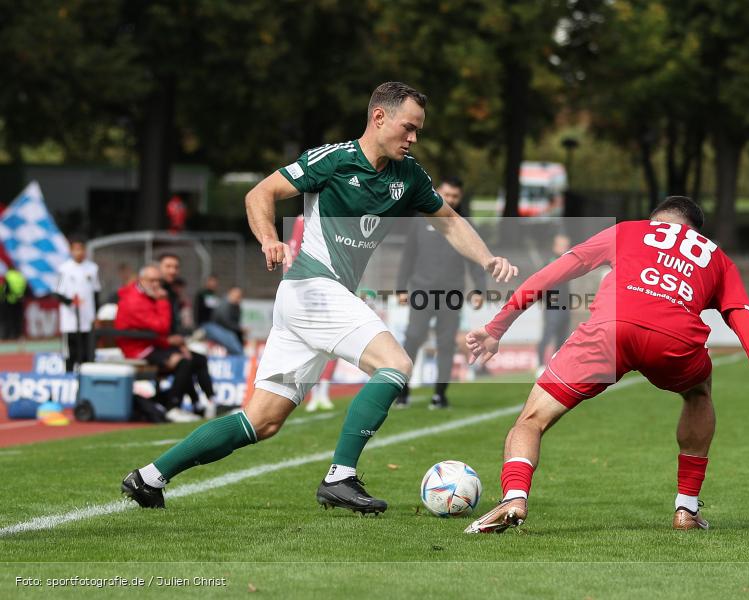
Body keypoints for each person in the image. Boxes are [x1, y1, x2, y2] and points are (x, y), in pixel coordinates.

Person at [121, 81, 518, 512]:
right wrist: (270, 239)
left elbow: (449, 220)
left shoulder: (409, 174)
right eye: (408, 128)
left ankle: (148, 477)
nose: (414, 138)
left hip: (312, 301)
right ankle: (340, 476)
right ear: (378, 117)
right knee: (396, 364)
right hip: (312, 287)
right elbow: (261, 193)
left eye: (418, 130)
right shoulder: (333, 159)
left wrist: (486, 258)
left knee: (263, 420)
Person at [463, 196, 749, 534]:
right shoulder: (717, 258)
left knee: (532, 420)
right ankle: (687, 508)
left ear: (655, 220)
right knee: (698, 392)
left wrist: (498, 327)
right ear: (696, 232)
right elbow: (748, 328)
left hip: (609, 332)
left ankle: (514, 498)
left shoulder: (629, 231)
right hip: (674, 343)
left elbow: (553, 273)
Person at [394, 177, 485, 409]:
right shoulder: (420, 219)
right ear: (437, 192)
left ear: (460, 197)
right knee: (413, 338)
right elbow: (408, 256)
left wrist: (479, 289)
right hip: (421, 291)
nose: (451, 199)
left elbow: (476, 260)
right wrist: (401, 287)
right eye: (447, 194)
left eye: (455, 196)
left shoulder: (464, 224)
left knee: (446, 344)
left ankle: (439, 395)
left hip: (452, 295)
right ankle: (402, 392)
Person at [115, 264, 214, 420]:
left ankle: (208, 403)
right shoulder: (135, 300)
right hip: (138, 349)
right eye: (151, 280)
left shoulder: (147, 296)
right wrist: (162, 301)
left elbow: (157, 330)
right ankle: (172, 407)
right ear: (141, 280)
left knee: (198, 358)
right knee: (183, 361)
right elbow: (161, 327)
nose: (156, 285)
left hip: (151, 343)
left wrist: (174, 343)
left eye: (158, 281)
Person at [54, 235, 101, 371]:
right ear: (71, 250)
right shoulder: (64, 269)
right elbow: (57, 293)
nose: (79, 252)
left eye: (81, 249)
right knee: (71, 353)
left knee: (87, 353)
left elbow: (96, 292)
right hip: (70, 320)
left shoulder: (92, 268)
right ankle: (70, 379)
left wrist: (96, 315)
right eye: (76, 249)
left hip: (88, 319)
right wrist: (70, 302)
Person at [535, 233, 571, 377]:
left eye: (566, 245)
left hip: (565, 306)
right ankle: (539, 365)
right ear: (555, 246)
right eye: (562, 245)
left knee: (562, 338)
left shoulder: (568, 261)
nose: (564, 247)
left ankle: (557, 367)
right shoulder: (551, 262)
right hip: (552, 307)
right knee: (547, 335)